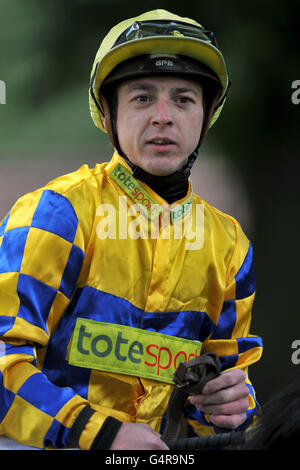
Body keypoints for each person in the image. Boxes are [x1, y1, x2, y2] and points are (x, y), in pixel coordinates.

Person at [0, 9, 262, 450]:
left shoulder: (231, 246)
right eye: (142, 98)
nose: (164, 116)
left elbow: (224, 403)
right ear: (108, 114)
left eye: (183, 99)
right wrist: (104, 435)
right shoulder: (56, 214)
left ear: (205, 116)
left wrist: (231, 407)